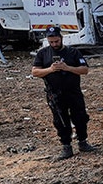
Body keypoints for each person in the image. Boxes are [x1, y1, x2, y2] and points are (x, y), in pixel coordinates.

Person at [32, 26, 95, 160]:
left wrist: (68, 68)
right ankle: (66, 146)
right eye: (51, 42)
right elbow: (35, 72)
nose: (54, 44)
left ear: (61, 38)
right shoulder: (43, 53)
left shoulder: (73, 52)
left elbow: (84, 70)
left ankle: (83, 142)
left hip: (73, 91)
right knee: (60, 120)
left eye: (56, 41)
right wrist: (50, 69)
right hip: (55, 93)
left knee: (80, 117)